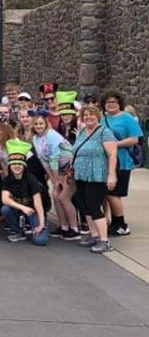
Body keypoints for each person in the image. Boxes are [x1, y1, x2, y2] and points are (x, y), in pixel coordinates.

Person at [72, 104, 118, 254]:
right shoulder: (81, 132)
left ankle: (104, 240)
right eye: (85, 115)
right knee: (85, 206)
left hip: (97, 175)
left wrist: (111, 175)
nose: (88, 117)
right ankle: (94, 235)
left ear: (98, 116)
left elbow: (112, 154)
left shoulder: (105, 132)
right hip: (81, 174)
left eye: (91, 114)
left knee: (93, 205)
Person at [100, 90, 143, 236]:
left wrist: (115, 144)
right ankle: (110, 221)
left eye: (114, 102)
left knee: (113, 193)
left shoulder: (127, 118)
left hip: (122, 161)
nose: (111, 105)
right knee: (107, 193)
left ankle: (121, 224)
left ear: (119, 104)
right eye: (108, 102)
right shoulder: (102, 118)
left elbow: (135, 139)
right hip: (105, 161)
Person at [1, 139, 48, 245]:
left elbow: (38, 203)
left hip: (33, 211)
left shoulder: (31, 179)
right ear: (10, 165)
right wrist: (23, 207)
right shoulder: (7, 179)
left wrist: (41, 224)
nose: (16, 166)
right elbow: (5, 199)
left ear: (24, 165)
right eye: (14, 164)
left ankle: (36, 224)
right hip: (21, 210)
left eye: (19, 163)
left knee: (41, 241)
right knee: (5, 209)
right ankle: (18, 231)